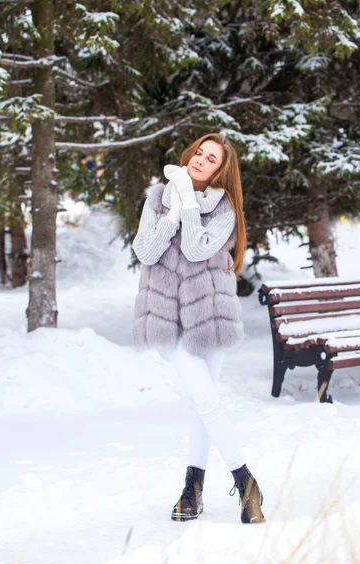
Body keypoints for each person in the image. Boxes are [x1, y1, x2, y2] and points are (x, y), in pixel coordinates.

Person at [132, 133, 265, 524]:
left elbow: (195, 249)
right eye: (199, 153)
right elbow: (146, 252)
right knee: (206, 400)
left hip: (210, 316)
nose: (201, 161)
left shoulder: (224, 208)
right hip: (170, 317)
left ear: (221, 170)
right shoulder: (158, 198)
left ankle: (193, 490)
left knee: (200, 405)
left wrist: (190, 204)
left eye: (212, 159)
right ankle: (246, 482)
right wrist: (174, 210)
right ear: (190, 155)